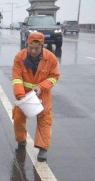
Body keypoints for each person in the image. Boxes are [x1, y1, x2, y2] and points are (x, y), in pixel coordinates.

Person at [11, 32, 60, 162]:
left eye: (36, 48)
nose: (33, 51)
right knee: (18, 116)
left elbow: (54, 77)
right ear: (27, 44)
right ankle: (21, 140)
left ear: (42, 46)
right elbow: (16, 78)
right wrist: (20, 95)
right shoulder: (19, 58)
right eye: (30, 47)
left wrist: (41, 87)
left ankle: (43, 148)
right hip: (24, 94)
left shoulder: (51, 58)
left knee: (44, 119)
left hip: (42, 94)